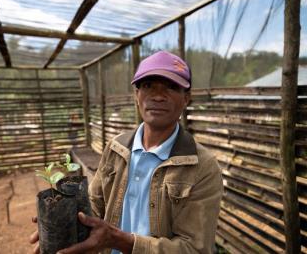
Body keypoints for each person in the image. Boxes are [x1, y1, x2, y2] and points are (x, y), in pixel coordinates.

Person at [30, 50, 223, 254]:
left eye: (171, 87)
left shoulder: (202, 166)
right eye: (148, 86)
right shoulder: (117, 148)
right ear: (136, 95)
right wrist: (61, 223)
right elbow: (94, 204)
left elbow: (195, 249)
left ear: (186, 99)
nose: (158, 96)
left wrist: (120, 241)